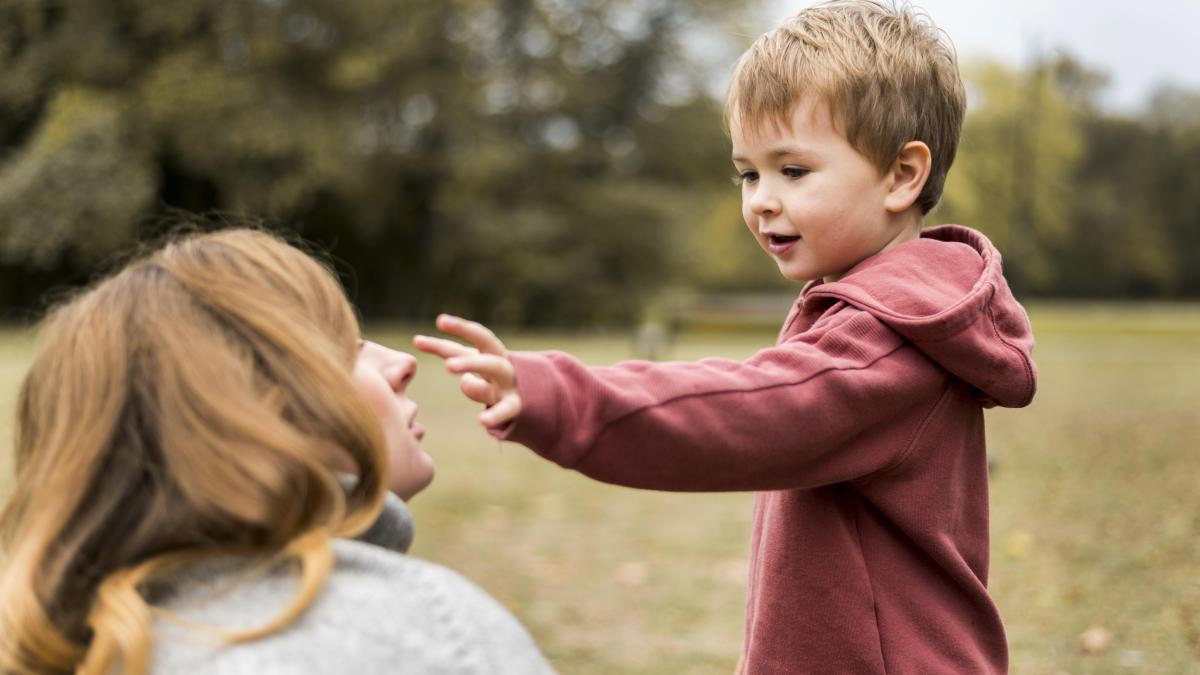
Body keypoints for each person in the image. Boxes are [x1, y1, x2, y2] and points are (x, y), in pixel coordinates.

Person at [414, 1, 1037, 672]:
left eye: (792, 170)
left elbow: (748, 408)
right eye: (748, 172)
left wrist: (563, 394)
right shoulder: (870, 309)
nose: (761, 198)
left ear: (901, 175)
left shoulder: (888, 338)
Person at [0, 228, 554, 675]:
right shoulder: (432, 630)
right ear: (248, 409)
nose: (401, 363)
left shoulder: (55, 644)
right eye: (342, 349)